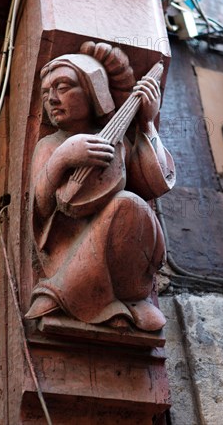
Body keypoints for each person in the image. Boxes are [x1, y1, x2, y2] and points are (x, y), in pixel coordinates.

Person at [25, 42, 175, 331]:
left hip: (118, 255)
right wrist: (63, 158)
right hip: (70, 254)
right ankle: (77, 295)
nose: (52, 99)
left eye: (63, 87)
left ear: (93, 91)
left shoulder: (116, 144)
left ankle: (128, 295)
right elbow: (40, 207)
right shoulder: (49, 145)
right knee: (125, 204)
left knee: (131, 204)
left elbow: (156, 183)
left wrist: (146, 124)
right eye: (46, 93)